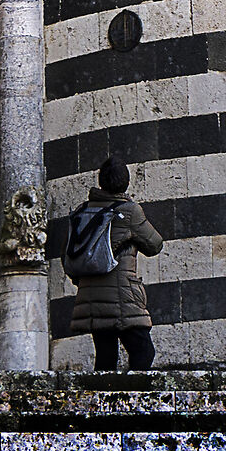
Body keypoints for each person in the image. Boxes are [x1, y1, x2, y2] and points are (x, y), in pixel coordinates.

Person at [67, 155, 164, 369]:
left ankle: (104, 401)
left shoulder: (83, 211)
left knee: (105, 358)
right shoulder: (129, 211)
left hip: (90, 297)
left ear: (101, 181)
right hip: (123, 296)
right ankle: (133, 399)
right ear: (126, 182)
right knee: (143, 351)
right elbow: (155, 244)